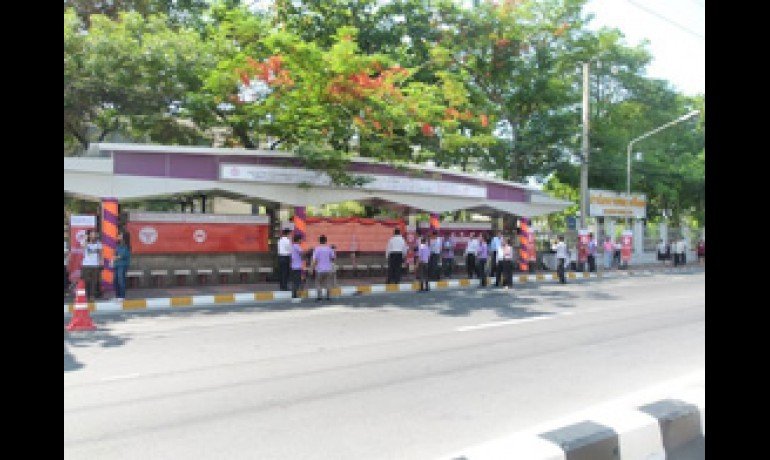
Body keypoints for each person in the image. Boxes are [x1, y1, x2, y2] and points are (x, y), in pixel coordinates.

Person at [311, 235, 335, 301]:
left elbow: (314, 260)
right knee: (328, 283)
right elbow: (333, 258)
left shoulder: (317, 249)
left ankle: (319, 297)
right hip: (328, 269)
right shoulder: (329, 249)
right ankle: (328, 297)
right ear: (326, 241)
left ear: (319, 241)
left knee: (318, 283)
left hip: (319, 269)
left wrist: (311, 268)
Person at [81, 230, 103, 301]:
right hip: (86, 265)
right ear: (89, 235)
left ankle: (92, 295)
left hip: (95, 265)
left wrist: (101, 261)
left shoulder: (98, 243)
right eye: (92, 234)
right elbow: (83, 246)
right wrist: (85, 238)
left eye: (95, 234)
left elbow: (100, 253)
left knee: (94, 281)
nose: (94, 236)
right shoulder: (85, 242)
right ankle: (86, 295)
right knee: (86, 280)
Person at [113, 232, 131, 300]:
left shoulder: (126, 246)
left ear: (124, 237)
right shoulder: (118, 245)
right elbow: (115, 254)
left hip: (123, 265)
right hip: (116, 264)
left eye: (120, 235)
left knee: (121, 280)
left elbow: (122, 255)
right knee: (115, 280)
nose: (118, 236)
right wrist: (113, 259)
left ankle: (122, 296)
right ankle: (117, 296)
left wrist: (116, 257)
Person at [290, 234, 304, 302]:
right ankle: (295, 296)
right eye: (301, 239)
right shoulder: (297, 246)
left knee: (295, 281)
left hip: (294, 266)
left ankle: (294, 295)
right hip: (297, 266)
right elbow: (302, 254)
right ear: (298, 240)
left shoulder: (292, 246)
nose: (302, 241)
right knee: (297, 282)